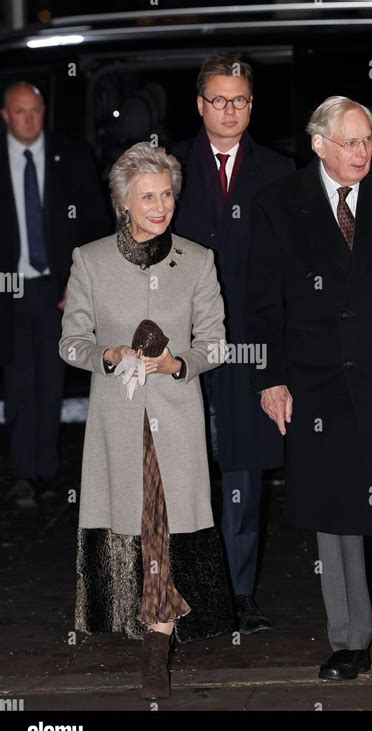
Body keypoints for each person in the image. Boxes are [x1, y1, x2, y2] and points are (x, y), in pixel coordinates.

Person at [246, 95, 372, 680]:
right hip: (319, 380)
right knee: (334, 509)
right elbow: (262, 302)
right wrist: (270, 377)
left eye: (368, 140)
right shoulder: (278, 204)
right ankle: (350, 637)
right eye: (350, 142)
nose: (362, 152)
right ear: (319, 145)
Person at [59, 142, 234, 699]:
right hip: (118, 423)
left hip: (176, 422)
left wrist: (177, 363)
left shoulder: (198, 261)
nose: (160, 206)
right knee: (134, 531)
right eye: (148, 196)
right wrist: (106, 356)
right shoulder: (89, 260)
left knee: (162, 530)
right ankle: (147, 628)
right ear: (123, 202)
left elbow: (216, 346)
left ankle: (156, 650)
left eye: (167, 195)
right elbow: (71, 343)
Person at [172, 53, 294, 634]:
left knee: (244, 475)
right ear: (200, 105)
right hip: (178, 348)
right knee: (182, 473)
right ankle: (190, 594)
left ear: (252, 105)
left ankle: (240, 593)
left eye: (239, 99)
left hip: (251, 348)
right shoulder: (166, 166)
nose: (229, 109)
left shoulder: (279, 171)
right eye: (218, 99)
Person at [0, 81, 110, 507]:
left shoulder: (72, 156)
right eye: (20, 111)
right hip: (10, 289)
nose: (29, 119)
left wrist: (79, 281)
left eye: (35, 110)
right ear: (6, 116)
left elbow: (94, 223)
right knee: (17, 380)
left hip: (56, 288)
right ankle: (23, 473)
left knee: (52, 379)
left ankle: (45, 471)